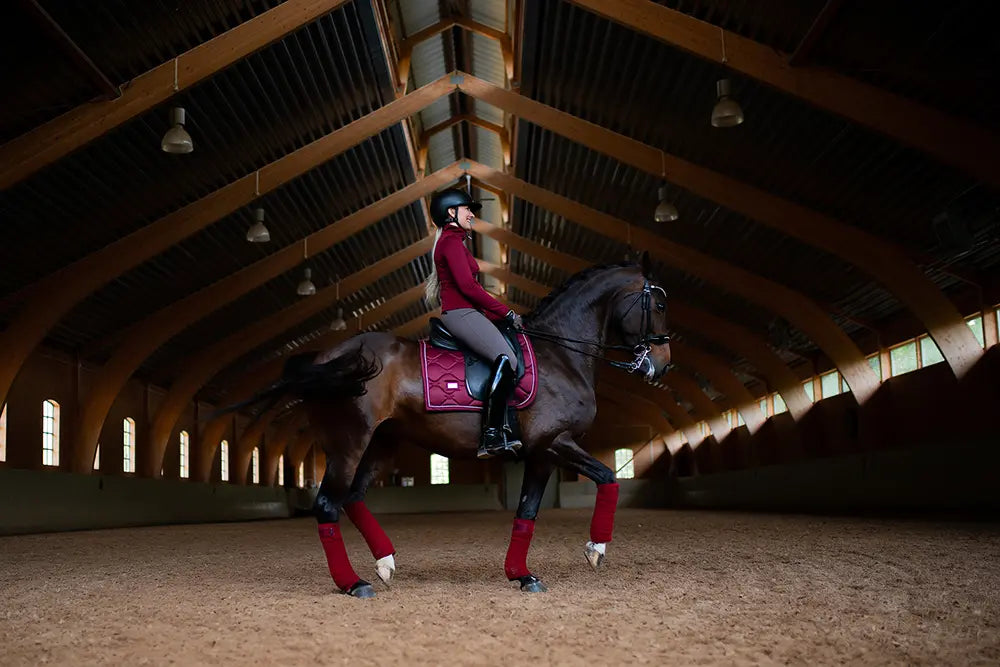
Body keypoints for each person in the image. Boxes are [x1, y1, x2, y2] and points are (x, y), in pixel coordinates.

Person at [425, 187, 523, 459]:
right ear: (451, 213)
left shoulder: (454, 241)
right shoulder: (451, 242)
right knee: (508, 359)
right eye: (468, 209)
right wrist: (505, 312)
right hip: (461, 313)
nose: (472, 214)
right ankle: (491, 435)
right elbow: (468, 287)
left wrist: (496, 315)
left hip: (469, 312)